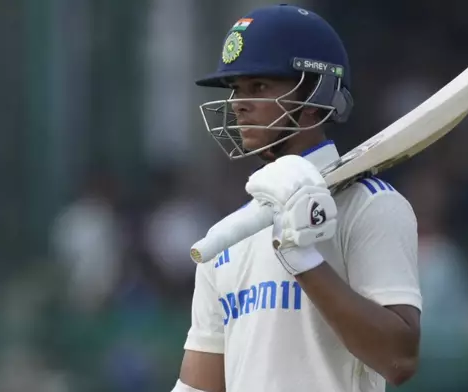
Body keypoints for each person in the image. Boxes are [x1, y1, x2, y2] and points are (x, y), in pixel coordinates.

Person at [172, 4, 422, 392]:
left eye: (259, 87)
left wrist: (303, 259)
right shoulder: (226, 236)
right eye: (236, 89)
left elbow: (399, 358)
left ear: (317, 93)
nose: (239, 103)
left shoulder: (371, 205)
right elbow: (199, 386)